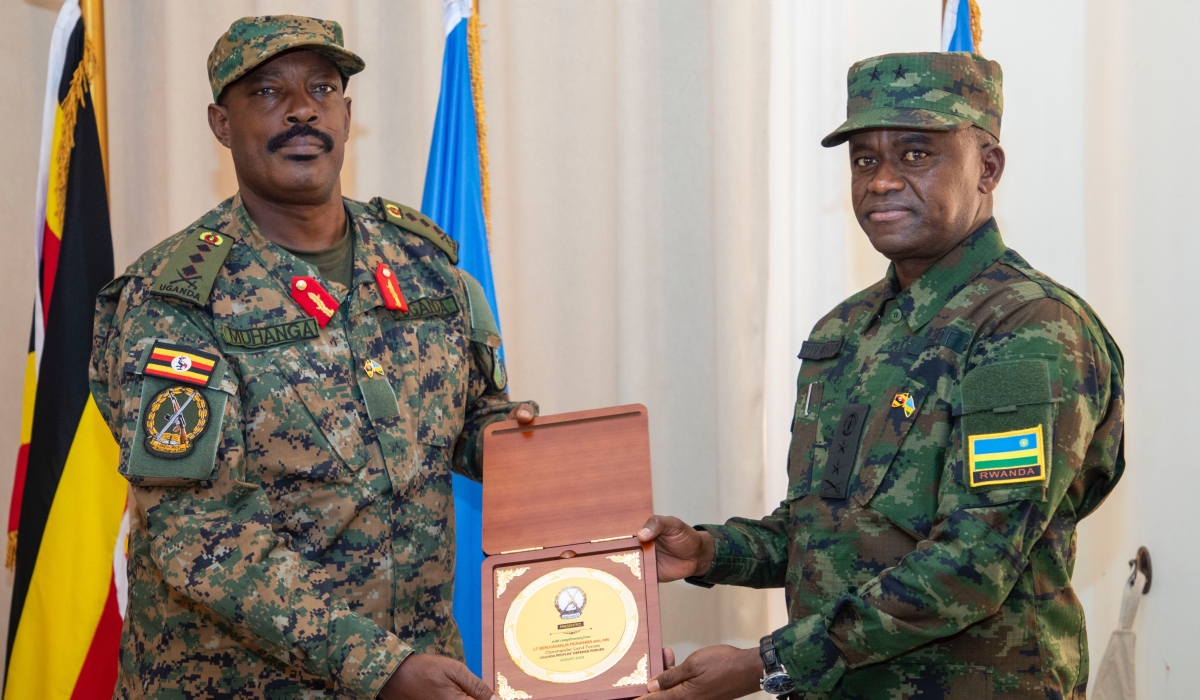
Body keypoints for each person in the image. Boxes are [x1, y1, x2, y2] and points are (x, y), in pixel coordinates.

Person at [637, 52, 1124, 700]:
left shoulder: (1027, 329)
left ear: (988, 168)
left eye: (917, 154)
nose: (883, 181)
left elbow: (973, 562)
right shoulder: (846, 331)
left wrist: (766, 663)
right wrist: (706, 552)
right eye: (865, 159)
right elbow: (826, 530)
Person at [89, 15, 534, 699]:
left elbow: (474, 420)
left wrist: (555, 466)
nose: (302, 109)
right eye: (268, 92)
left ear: (347, 114)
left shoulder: (424, 265)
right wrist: (379, 667)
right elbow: (200, 536)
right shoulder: (174, 301)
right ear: (220, 123)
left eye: (321, 88)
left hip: (423, 674)